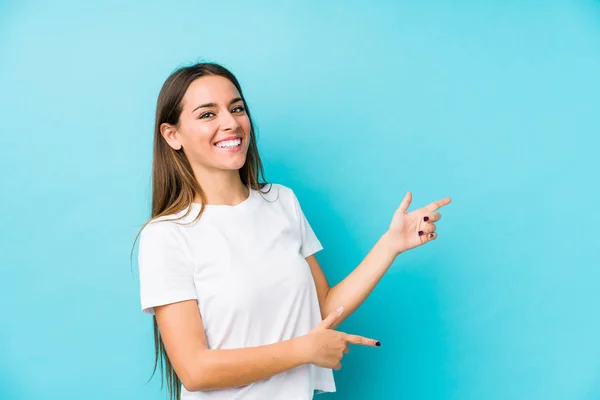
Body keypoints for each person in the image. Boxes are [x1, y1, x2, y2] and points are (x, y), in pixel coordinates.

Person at [136, 62, 452, 400]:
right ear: (172, 135)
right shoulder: (166, 236)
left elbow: (325, 306)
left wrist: (391, 245)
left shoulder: (281, 202)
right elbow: (195, 370)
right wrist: (304, 350)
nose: (231, 123)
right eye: (207, 115)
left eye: (237, 108)